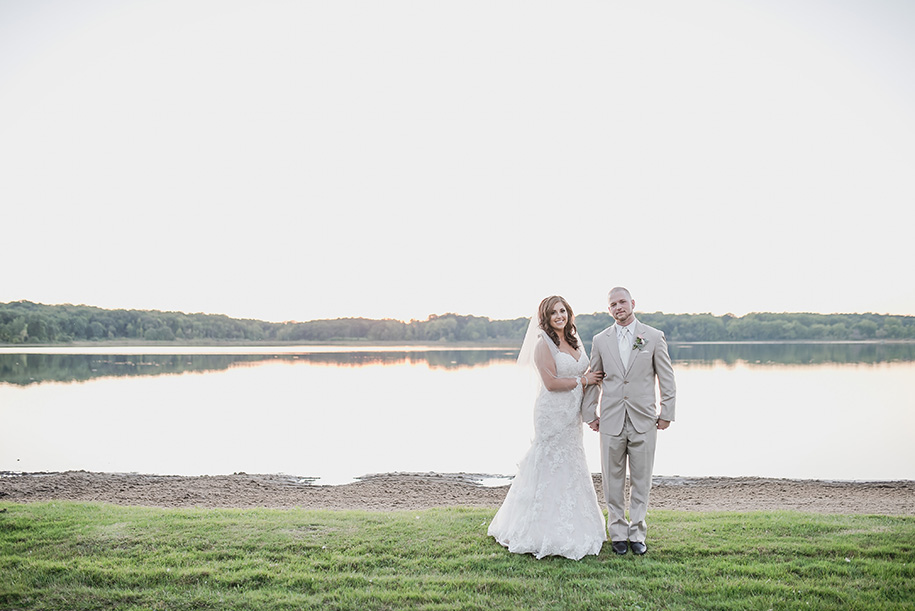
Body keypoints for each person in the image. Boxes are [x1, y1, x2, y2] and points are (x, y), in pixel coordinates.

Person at [488, 295, 607, 560]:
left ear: (569, 313)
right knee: (548, 464)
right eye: (553, 313)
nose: (559, 316)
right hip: (551, 413)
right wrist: (584, 379)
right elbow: (551, 383)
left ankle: (578, 525)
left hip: (571, 415)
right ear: (546, 317)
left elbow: (588, 373)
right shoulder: (543, 344)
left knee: (572, 463)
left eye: (563, 311)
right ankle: (536, 529)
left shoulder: (573, 340)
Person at [582, 287, 676, 556]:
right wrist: (590, 414)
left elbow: (666, 378)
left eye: (622, 302)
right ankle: (618, 533)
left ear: (632, 303)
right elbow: (595, 377)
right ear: (609, 309)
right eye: (613, 304)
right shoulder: (601, 340)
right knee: (612, 481)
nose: (618, 307)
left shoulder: (653, 337)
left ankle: (637, 532)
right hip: (610, 420)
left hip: (644, 419)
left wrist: (666, 412)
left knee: (641, 479)